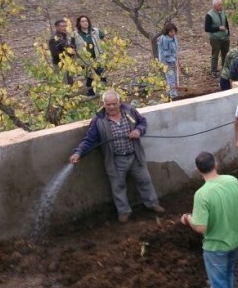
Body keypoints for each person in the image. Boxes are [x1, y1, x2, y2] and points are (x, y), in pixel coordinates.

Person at [69, 90, 165, 223]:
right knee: (118, 187)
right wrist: (78, 153)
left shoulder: (129, 112)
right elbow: (89, 140)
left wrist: (138, 131)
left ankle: (153, 204)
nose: (111, 107)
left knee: (145, 180)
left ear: (120, 102)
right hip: (116, 160)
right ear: (103, 104)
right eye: (108, 104)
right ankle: (124, 212)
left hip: (135, 156)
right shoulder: (99, 120)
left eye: (114, 104)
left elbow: (142, 123)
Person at [181, 152, 238, 288]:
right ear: (215, 164)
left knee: (218, 282)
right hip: (236, 239)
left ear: (197, 170)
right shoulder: (232, 181)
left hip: (216, 245)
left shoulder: (202, 194)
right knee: (228, 274)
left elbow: (201, 227)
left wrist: (188, 219)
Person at [73, 15, 107, 96]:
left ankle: (104, 93)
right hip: (85, 61)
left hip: (97, 58)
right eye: (82, 21)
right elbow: (72, 47)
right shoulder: (75, 34)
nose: (85, 23)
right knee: (90, 77)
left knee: (102, 75)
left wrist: (105, 49)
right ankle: (90, 93)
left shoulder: (95, 31)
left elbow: (104, 39)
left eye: (86, 21)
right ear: (79, 23)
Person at [204, 0, 230, 78]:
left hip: (225, 37)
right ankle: (214, 71)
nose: (220, 6)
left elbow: (226, 24)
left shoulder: (223, 12)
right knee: (215, 55)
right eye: (219, 5)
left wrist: (228, 33)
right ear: (214, 5)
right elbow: (207, 28)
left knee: (225, 55)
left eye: (221, 4)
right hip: (215, 38)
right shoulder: (209, 15)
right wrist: (218, 28)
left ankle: (225, 70)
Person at [157, 22, 179, 99]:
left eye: (174, 31)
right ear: (167, 32)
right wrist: (174, 60)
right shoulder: (165, 39)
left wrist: (176, 59)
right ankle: (173, 95)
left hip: (172, 59)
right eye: (171, 32)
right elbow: (166, 54)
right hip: (166, 61)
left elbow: (175, 49)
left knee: (173, 77)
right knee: (171, 77)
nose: (173, 33)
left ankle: (169, 93)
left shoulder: (174, 37)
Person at [48, 19, 74, 85]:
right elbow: (55, 54)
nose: (64, 28)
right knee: (62, 84)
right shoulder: (54, 39)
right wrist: (69, 53)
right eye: (62, 26)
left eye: (65, 26)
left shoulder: (65, 36)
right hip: (59, 65)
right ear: (57, 27)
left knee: (70, 82)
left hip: (68, 63)